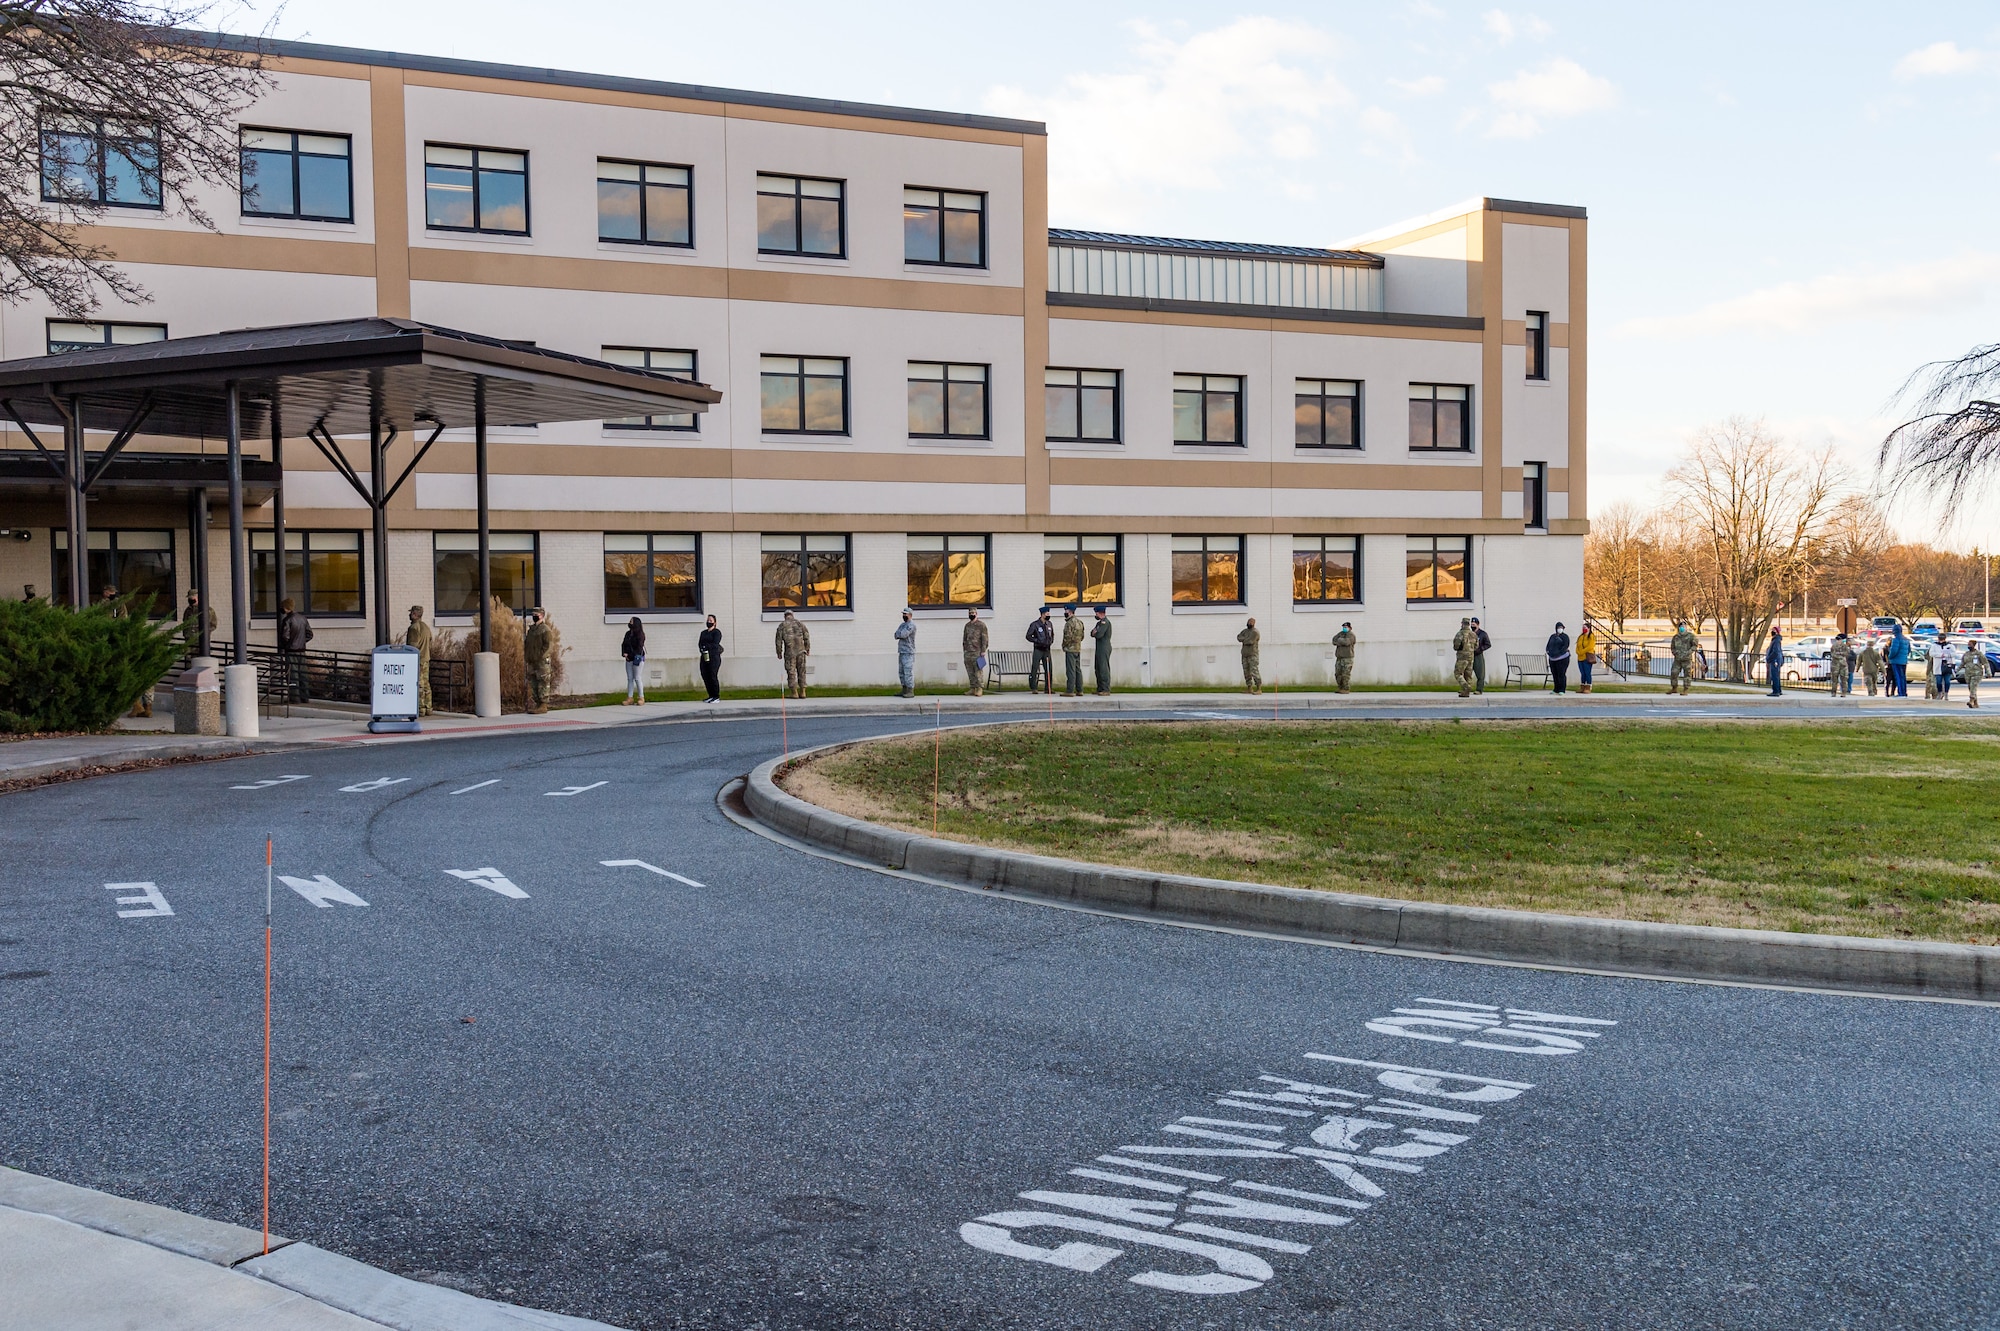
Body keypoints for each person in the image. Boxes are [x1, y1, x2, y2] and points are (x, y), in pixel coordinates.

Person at [278, 597, 313, 703]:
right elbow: (310, 634)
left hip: (291, 651)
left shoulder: (287, 620)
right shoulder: (303, 618)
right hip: (302, 650)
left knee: (292, 675)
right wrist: (302, 641)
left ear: (286, 607)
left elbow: (285, 636)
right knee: (303, 674)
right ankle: (305, 696)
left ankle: (294, 697)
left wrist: (286, 645)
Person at [523, 607, 554, 714]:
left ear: (542, 615)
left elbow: (548, 646)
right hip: (532, 661)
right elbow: (527, 645)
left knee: (543, 682)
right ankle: (537, 704)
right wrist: (527, 657)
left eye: (537, 614)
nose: (534, 615)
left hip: (541, 662)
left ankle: (543, 704)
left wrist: (541, 656)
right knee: (534, 682)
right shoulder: (531, 630)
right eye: (533, 613)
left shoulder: (545, 630)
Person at [406, 605, 435, 716]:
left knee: (419, 684)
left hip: (417, 660)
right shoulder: (426, 627)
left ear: (415, 614)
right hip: (426, 658)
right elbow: (430, 639)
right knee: (426, 684)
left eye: (411, 613)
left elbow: (412, 647)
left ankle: (420, 708)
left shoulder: (414, 628)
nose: (409, 615)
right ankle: (428, 707)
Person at [775, 610, 810, 699]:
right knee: (802, 671)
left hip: (790, 652)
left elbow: (778, 641)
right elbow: (806, 637)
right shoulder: (800, 624)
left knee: (791, 672)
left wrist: (779, 652)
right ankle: (803, 692)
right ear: (792, 615)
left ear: (785, 616)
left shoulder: (782, 626)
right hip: (801, 651)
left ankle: (794, 692)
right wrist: (807, 648)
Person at [961, 607, 989, 697]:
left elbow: (985, 639)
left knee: (978, 671)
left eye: (973, 613)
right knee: (970, 671)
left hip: (977, 651)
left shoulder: (981, 625)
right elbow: (964, 638)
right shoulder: (967, 625)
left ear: (976, 614)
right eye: (970, 613)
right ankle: (972, 688)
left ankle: (979, 688)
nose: (971, 614)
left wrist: (983, 650)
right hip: (968, 652)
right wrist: (964, 649)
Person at [1026, 608, 1055, 694]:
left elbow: (1052, 635)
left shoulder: (1049, 624)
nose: (1048, 615)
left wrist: (1050, 642)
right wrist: (1037, 641)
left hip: (1047, 650)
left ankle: (1048, 688)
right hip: (1038, 649)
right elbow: (1028, 636)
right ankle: (1033, 687)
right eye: (1047, 613)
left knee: (1049, 669)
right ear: (1042, 614)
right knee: (1035, 668)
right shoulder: (1035, 624)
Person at [618, 615, 645, 706]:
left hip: (637, 659)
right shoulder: (628, 634)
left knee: (637, 677)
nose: (629, 623)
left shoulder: (640, 635)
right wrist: (624, 653)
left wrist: (630, 655)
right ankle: (630, 697)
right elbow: (623, 644)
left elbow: (639, 648)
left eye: (631, 621)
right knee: (630, 678)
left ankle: (641, 697)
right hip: (628, 659)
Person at [698, 614, 723, 702]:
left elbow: (715, 644)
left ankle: (716, 696)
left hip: (714, 657)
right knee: (705, 675)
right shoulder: (703, 633)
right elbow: (700, 643)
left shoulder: (717, 632)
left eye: (711, 621)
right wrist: (702, 648)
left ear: (715, 623)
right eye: (708, 620)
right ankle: (710, 695)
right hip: (704, 656)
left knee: (712, 675)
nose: (709, 622)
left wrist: (707, 646)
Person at [1060, 607, 1085, 697]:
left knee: (1070, 670)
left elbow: (1067, 637)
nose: (1065, 613)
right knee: (1078, 670)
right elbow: (1082, 636)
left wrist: (1064, 645)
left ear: (1070, 612)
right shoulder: (1079, 622)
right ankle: (1080, 690)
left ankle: (1070, 690)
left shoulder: (1069, 623)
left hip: (1070, 649)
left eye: (1066, 611)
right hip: (1077, 648)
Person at [1669, 621, 1698, 696]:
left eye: (1684, 626)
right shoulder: (1676, 637)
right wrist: (1675, 653)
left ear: (1686, 627)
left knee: (1687, 675)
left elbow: (1694, 646)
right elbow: (1672, 647)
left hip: (1687, 659)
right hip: (1677, 659)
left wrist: (1689, 652)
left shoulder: (1691, 636)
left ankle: (1685, 689)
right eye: (1681, 626)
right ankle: (1674, 688)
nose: (1682, 627)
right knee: (1674, 673)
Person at [1452, 618, 1477, 698]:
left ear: (1462, 623)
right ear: (1469, 624)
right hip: (1471, 656)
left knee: (1458, 673)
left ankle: (1466, 686)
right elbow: (1476, 646)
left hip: (1462, 657)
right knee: (1468, 674)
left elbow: (1456, 646)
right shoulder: (1473, 634)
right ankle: (1466, 692)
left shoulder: (1460, 634)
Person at [1546, 621, 1573, 695]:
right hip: (1552, 659)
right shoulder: (1552, 637)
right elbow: (1548, 646)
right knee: (1555, 674)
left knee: (1561, 674)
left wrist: (1558, 653)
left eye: (1561, 628)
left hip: (1562, 658)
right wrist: (1549, 652)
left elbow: (1565, 646)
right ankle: (1556, 689)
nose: (1560, 629)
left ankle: (1562, 689)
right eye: (1558, 628)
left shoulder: (1565, 637)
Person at [1091, 606, 1113, 695]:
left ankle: (1105, 689)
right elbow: (1092, 633)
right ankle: (1100, 688)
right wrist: (1094, 632)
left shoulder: (1105, 623)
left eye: (1096, 613)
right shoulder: (1099, 623)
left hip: (1104, 647)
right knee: (1098, 668)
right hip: (1099, 648)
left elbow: (1099, 634)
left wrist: (1095, 633)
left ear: (1101, 613)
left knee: (1104, 668)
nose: (1095, 615)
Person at [895, 610, 916, 698]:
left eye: (905, 614)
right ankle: (904, 689)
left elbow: (903, 634)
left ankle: (910, 690)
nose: (903, 615)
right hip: (902, 651)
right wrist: (899, 634)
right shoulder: (902, 625)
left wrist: (900, 634)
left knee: (908, 672)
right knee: (901, 672)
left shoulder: (911, 625)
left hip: (908, 651)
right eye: (903, 614)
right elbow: (896, 635)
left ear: (910, 615)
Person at [1237, 617, 1261, 694]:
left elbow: (1250, 641)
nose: (1249, 623)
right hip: (1245, 654)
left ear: (1254, 623)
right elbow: (1238, 637)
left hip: (1252, 654)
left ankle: (1259, 688)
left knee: (1254, 671)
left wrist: (1244, 639)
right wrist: (1245, 639)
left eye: (1251, 622)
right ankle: (1249, 688)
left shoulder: (1255, 632)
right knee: (1246, 672)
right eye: (1248, 622)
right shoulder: (1245, 631)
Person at [1886, 624, 1911, 697]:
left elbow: (1894, 651)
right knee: (1903, 677)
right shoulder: (1906, 639)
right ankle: (1904, 692)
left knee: (1898, 677)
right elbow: (1909, 650)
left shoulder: (1896, 639)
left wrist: (1890, 657)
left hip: (1896, 661)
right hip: (1904, 661)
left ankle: (1900, 692)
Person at [1576, 621, 1601, 694]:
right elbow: (1578, 645)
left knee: (1587, 673)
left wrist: (1582, 651)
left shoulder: (1591, 636)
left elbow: (1590, 646)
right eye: (1583, 628)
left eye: (1585, 628)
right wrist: (1578, 652)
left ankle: (1588, 687)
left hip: (1587, 657)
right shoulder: (1581, 637)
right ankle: (1582, 686)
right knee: (1582, 673)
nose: (1583, 629)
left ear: (1589, 628)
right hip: (1580, 657)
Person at [1470, 617, 1492, 694]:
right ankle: (1466, 689)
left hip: (1478, 655)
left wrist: (1480, 649)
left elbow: (1488, 644)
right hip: (1469, 655)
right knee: (1467, 673)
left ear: (1478, 624)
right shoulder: (1469, 633)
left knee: (1480, 673)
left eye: (1474, 624)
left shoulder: (1483, 634)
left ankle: (1479, 689)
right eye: (1471, 624)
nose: (1472, 626)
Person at [1333, 622, 1356, 694]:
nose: (1344, 628)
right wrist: (1340, 641)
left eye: (1346, 627)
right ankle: (1340, 687)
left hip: (1347, 658)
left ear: (1350, 628)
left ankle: (1346, 688)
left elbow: (1347, 642)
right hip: (1339, 657)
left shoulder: (1351, 635)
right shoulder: (1340, 634)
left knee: (1345, 674)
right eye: (1343, 627)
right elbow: (1334, 640)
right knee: (1338, 674)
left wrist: (1339, 641)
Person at [1828, 632, 1851, 699]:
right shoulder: (1834, 646)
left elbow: (1847, 653)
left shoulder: (1845, 646)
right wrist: (1841, 655)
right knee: (1834, 680)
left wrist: (1839, 654)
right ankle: (1833, 692)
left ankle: (1843, 693)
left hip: (1843, 665)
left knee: (1844, 679)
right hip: (1835, 665)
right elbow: (1833, 654)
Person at [1964, 641, 1986, 709]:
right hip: (1968, 673)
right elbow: (1962, 663)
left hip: (1977, 673)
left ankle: (1971, 700)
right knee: (1971, 688)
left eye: (1970, 645)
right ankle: (1976, 704)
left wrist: (1988, 672)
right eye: (1968, 645)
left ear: (1974, 645)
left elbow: (1985, 663)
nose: (1969, 646)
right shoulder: (1966, 654)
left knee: (1973, 686)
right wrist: (1956, 671)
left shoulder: (1979, 654)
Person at [1765, 625, 1784, 697]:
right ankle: (1778, 690)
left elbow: (1775, 651)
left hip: (1774, 660)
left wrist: (1769, 658)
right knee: (1776, 676)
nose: (1772, 632)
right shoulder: (1776, 640)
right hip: (1776, 660)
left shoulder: (1776, 640)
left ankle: (1775, 691)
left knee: (1774, 676)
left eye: (1773, 630)